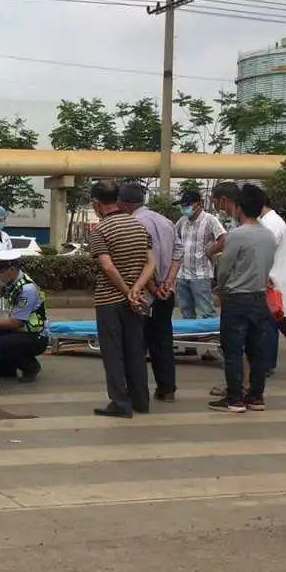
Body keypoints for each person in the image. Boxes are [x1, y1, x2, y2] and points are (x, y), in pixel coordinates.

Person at [87, 179, 155, 418]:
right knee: (135, 351)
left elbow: (107, 266)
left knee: (113, 353)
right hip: (136, 301)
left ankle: (120, 403)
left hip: (109, 301)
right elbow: (151, 263)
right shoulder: (138, 226)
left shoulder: (100, 231)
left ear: (96, 203)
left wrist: (126, 291)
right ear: (117, 199)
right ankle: (141, 401)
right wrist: (136, 289)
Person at [210, 182, 276, 414]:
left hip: (237, 299)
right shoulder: (269, 236)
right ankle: (256, 397)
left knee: (233, 351)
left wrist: (220, 287)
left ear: (240, 207)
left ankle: (234, 398)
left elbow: (225, 268)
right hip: (259, 297)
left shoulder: (237, 235)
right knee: (256, 351)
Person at [118, 182, 183, 402]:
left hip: (145, 293)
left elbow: (142, 261)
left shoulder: (133, 223)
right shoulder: (165, 221)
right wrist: (168, 282)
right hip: (166, 291)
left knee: (136, 343)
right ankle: (167, 388)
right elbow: (178, 252)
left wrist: (154, 286)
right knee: (163, 340)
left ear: (124, 203)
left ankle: (136, 391)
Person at [0, 255, 48, 381]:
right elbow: (2, 299)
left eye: (0, 271)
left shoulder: (27, 289)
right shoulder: (12, 283)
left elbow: (16, 322)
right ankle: (7, 369)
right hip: (21, 331)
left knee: (0, 344)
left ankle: (30, 366)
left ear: (11, 270)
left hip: (35, 335)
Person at [260, 194, 286, 362]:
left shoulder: (271, 223)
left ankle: (268, 363)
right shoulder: (271, 221)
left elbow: (265, 250)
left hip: (271, 278)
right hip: (273, 276)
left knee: (271, 319)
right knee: (276, 315)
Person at [175, 188, 225, 318]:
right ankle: (191, 338)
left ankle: (210, 336)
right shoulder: (182, 221)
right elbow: (175, 239)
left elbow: (224, 239)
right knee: (186, 311)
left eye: (187, 206)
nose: (184, 209)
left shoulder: (210, 220)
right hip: (183, 274)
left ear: (199, 204)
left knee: (206, 309)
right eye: (183, 206)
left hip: (201, 273)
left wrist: (210, 252)